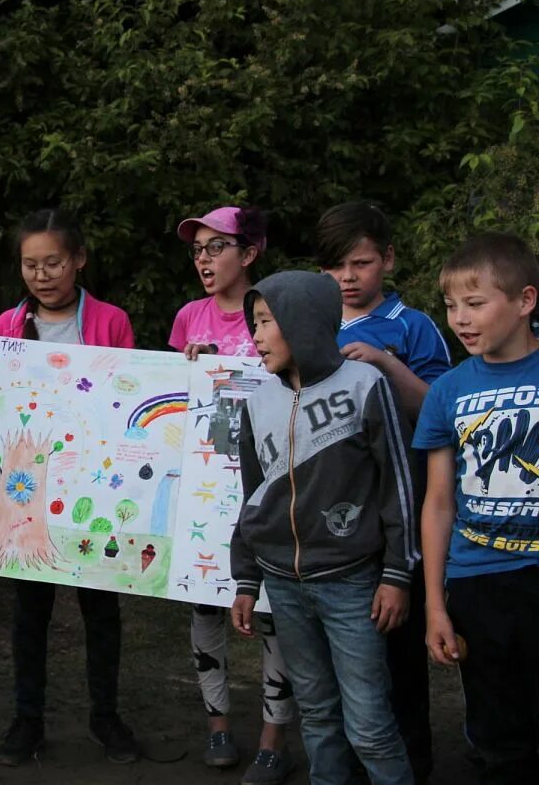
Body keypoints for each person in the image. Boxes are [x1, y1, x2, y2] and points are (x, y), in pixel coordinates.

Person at [231, 270, 417, 785]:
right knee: (316, 715)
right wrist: (247, 578)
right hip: (284, 587)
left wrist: (398, 574)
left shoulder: (365, 387)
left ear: (305, 323)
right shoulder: (258, 402)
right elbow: (253, 497)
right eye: (254, 323)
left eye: (267, 322)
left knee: (371, 727)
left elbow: (399, 486)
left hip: (353, 584)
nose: (257, 335)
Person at [0, 208, 139, 768]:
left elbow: (125, 399)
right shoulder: (6, 325)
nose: (42, 274)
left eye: (53, 261)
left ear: (78, 259)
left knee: (101, 608)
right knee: (31, 611)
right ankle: (27, 720)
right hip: (26, 488)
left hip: (93, 485)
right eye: (30, 264)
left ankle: (107, 718)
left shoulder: (111, 321)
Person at [316, 201, 450, 782]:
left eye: (361, 263)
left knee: (396, 646)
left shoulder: (414, 325)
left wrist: (383, 364)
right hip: (331, 514)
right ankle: (346, 762)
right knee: (340, 650)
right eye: (336, 266)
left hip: (400, 509)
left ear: (388, 259)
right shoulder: (308, 321)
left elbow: (443, 410)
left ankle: (411, 763)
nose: (348, 277)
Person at [170, 206, 296, 784]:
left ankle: (274, 737)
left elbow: (298, 378)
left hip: (272, 485)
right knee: (205, 603)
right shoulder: (188, 317)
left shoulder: (273, 309)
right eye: (198, 249)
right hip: (203, 489)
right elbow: (174, 400)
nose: (203, 258)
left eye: (216, 247)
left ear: (249, 253)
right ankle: (218, 724)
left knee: (272, 612)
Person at [415, 233, 539, 784]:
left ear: (525, 301)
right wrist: (435, 605)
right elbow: (439, 503)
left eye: (476, 302)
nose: (460, 318)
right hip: (478, 582)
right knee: (497, 733)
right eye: (450, 306)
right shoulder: (448, 391)